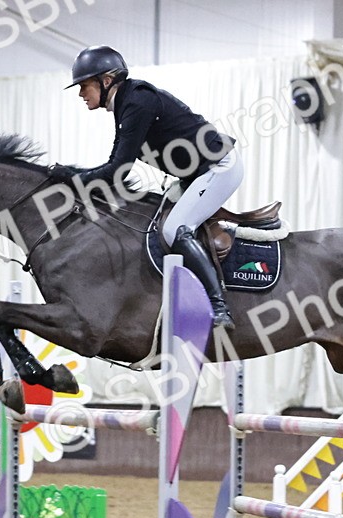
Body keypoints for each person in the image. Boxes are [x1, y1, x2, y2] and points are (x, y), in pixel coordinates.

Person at [49, 45, 241, 331]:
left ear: (106, 80)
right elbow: (115, 163)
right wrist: (73, 175)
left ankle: (219, 306)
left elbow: (117, 170)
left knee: (173, 229)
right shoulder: (126, 103)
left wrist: (72, 179)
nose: (80, 93)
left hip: (218, 167)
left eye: (84, 85)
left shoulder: (137, 102)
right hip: (194, 175)